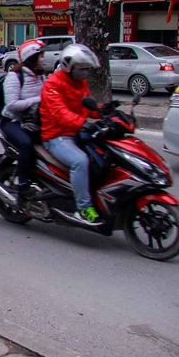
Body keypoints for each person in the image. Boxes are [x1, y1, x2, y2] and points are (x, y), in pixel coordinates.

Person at [40, 44, 101, 224]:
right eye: (82, 69)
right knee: (79, 161)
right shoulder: (53, 84)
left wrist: (106, 113)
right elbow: (60, 113)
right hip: (56, 136)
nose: (85, 73)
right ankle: (83, 208)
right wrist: (83, 123)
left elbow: (87, 105)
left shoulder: (79, 83)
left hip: (75, 132)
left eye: (87, 69)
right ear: (69, 67)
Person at [1, 39, 46, 198]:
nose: (43, 59)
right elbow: (12, 104)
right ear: (31, 57)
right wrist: (36, 100)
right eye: (40, 56)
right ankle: (22, 184)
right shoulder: (14, 76)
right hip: (12, 121)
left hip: (34, 121)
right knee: (27, 144)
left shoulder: (40, 76)